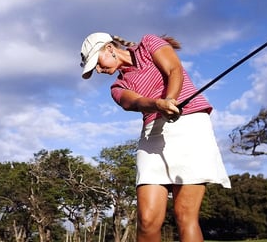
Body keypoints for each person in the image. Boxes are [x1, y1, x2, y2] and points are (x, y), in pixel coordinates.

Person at [79, 32, 231, 242]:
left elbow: (174, 70)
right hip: (153, 135)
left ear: (109, 48)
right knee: (147, 221)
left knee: (184, 215)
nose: (98, 69)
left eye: (96, 62)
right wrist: (158, 105)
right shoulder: (117, 87)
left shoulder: (149, 43)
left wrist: (170, 99)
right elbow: (136, 102)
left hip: (191, 126)